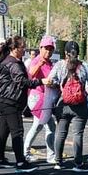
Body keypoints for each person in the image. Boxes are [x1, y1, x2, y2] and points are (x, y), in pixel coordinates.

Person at [47, 41, 88, 172]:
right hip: (80, 106)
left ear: (65, 53)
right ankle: (78, 163)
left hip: (63, 105)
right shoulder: (84, 66)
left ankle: (58, 162)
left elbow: (50, 81)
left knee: (61, 133)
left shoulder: (59, 65)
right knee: (78, 134)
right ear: (79, 53)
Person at [0, 36, 39, 171]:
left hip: (3, 99)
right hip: (11, 100)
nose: (24, 50)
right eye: (22, 48)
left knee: (4, 130)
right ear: (14, 48)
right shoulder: (13, 63)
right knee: (17, 131)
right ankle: (20, 162)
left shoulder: (8, 60)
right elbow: (22, 81)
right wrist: (41, 82)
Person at [24, 35, 56, 163]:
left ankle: (49, 155)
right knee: (43, 126)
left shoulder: (50, 63)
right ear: (40, 48)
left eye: (51, 49)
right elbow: (30, 75)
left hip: (46, 97)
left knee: (40, 126)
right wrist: (40, 64)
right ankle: (27, 153)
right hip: (36, 97)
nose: (48, 51)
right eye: (46, 48)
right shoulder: (37, 60)